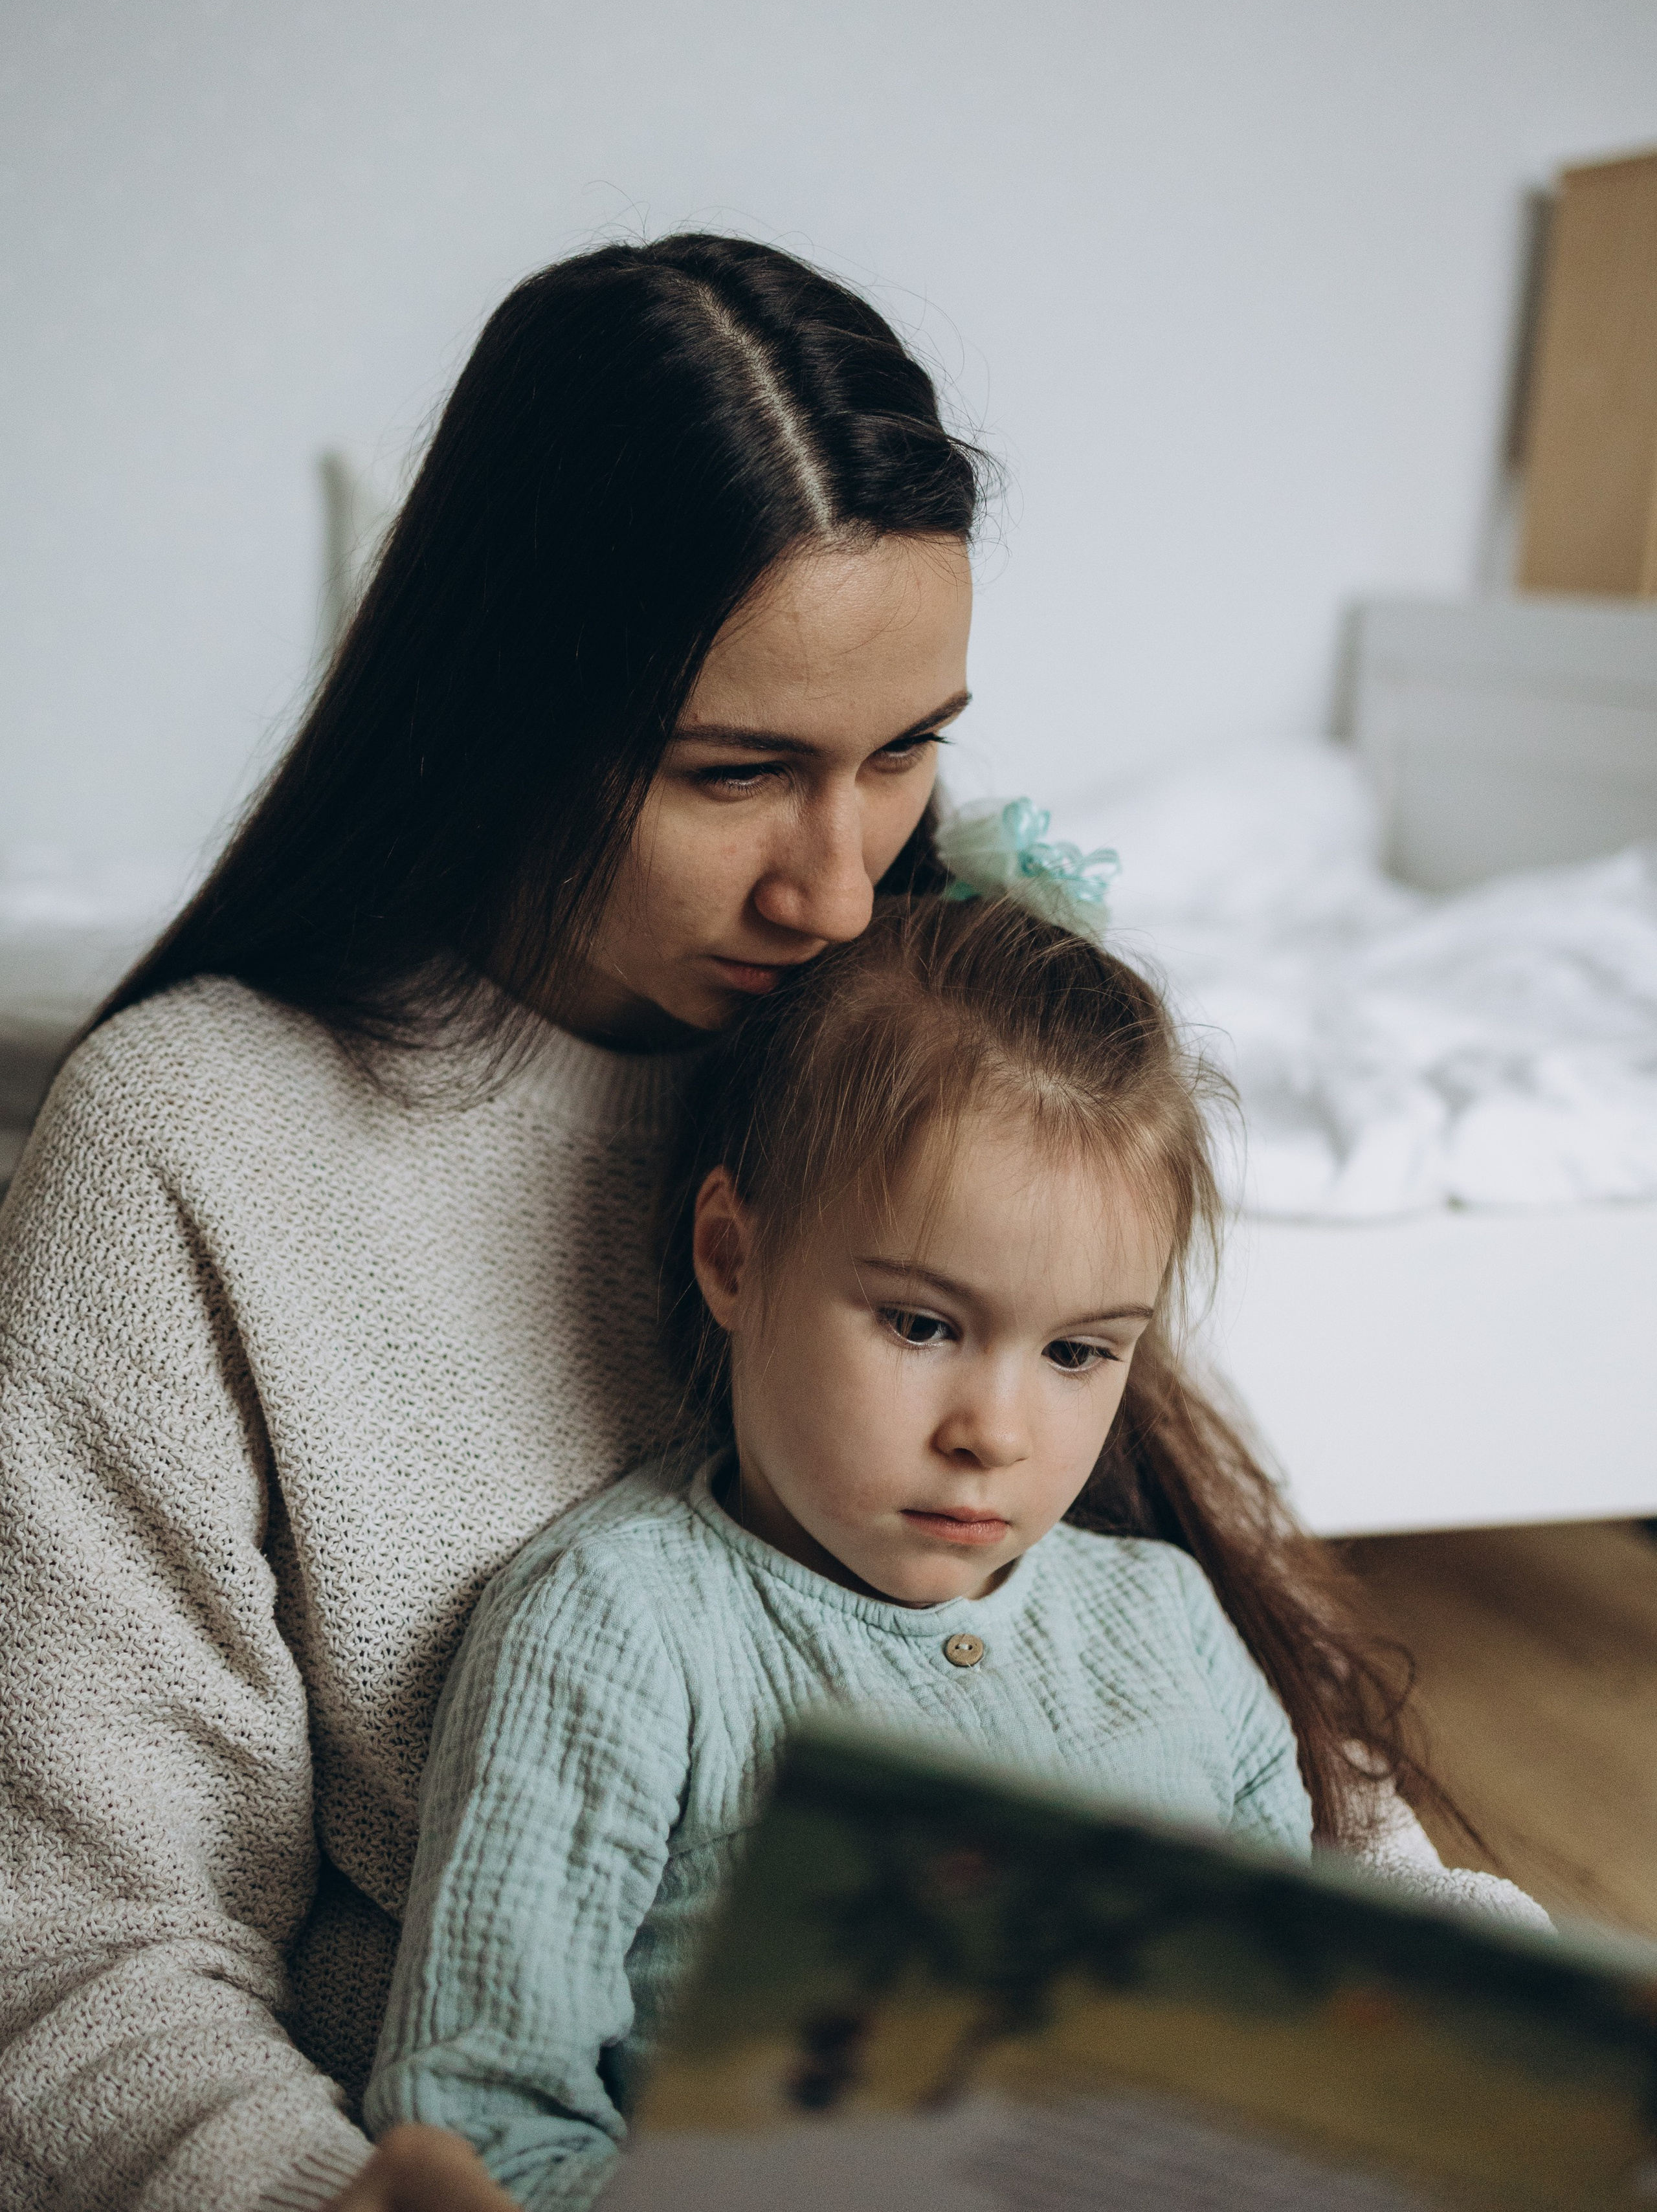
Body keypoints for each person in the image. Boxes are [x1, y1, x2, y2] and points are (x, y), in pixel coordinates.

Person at [0, 236, 979, 2212]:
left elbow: (1203, 1663)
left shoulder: (943, 1064)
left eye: (905, 753)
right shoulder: (190, 1144)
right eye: (738, 774)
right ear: (504, 705)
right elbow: (85, 1950)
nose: (844, 890)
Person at [361, 894, 1542, 2210]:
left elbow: (1290, 2019)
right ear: (731, 1256)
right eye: (921, 1325)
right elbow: (473, 2122)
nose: (993, 1432)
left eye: (1078, 1352)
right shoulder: (619, 1624)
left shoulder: (1165, 1621)